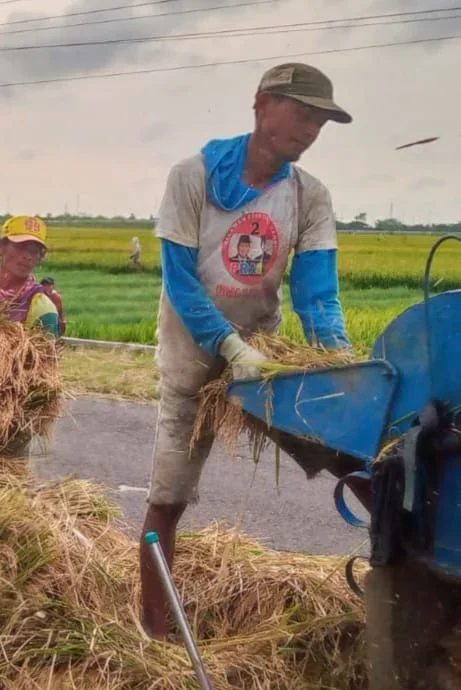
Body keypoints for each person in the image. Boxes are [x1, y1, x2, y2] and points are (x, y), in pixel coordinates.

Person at [140, 62, 361, 639]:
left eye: (321, 122)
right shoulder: (193, 177)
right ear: (263, 104)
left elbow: (318, 293)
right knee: (169, 496)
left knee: (348, 454)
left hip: (265, 357)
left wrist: (339, 364)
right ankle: (156, 635)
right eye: (304, 113)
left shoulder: (309, 195)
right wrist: (227, 346)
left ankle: (403, 552)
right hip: (194, 357)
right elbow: (181, 281)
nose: (312, 129)